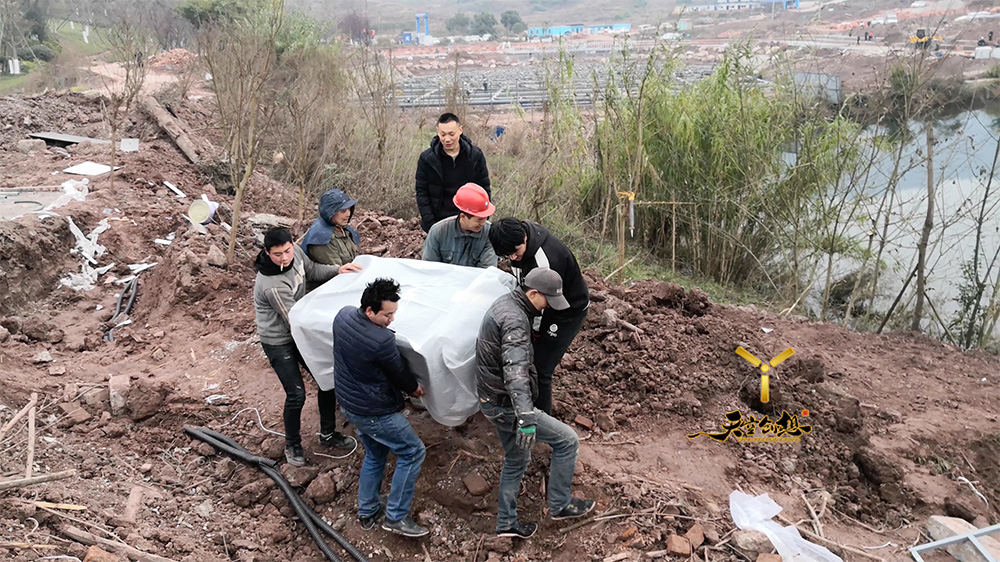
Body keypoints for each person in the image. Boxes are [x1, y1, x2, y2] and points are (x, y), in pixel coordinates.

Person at [476, 268, 596, 539]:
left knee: (517, 458)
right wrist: (526, 418)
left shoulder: (507, 304)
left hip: (491, 399)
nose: (547, 309)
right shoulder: (515, 320)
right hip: (506, 403)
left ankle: (507, 523)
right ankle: (560, 504)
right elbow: (515, 373)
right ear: (533, 293)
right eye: (547, 301)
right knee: (567, 441)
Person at [253, 228, 361, 466]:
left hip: (298, 327)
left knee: (326, 377)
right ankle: (292, 445)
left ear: (293, 244)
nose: (284, 258)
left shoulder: (297, 254)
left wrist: (338, 270)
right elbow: (294, 319)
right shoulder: (272, 285)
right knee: (296, 394)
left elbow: (312, 270)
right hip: (279, 340)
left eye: (288, 251)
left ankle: (328, 434)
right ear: (266, 252)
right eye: (277, 254)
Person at [333, 278, 429, 538]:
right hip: (373, 410)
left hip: (349, 403)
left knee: (375, 454)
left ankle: (367, 510)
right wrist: (414, 389)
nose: (392, 320)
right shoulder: (381, 340)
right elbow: (398, 372)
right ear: (369, 311)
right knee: (412, 451)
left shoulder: (342, 316)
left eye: (394, 313)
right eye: (388, 315)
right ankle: (396, 517)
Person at [488, 218, 590, 415]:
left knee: (541, 367)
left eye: (515, 252)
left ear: (525, 238)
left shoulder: (545, 262)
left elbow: (543, 306)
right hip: (539, 304)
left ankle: (542, 419)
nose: (513, 258)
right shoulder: (516, 243)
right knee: (527, 356)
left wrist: (534, 332)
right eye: (507, 255)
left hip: (565, 311)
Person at [415, 113, 491, 233]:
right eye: (442, 134)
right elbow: (422, 193)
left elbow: (484, 188)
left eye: (451, 134)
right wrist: (431, 225)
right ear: (437, 132)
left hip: (469, 220)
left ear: (460, 130)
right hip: (438, 221)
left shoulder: (475, 156)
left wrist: (481, 218)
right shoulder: (427, 159)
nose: (447, 139)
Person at [422, 183, 498, 268]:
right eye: (479, 220)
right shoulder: (438, 231)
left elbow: (486, 272)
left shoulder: (491, 234)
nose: (483, 223)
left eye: (486, 218)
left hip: (476, 281)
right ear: (462, 216)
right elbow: (429, 268)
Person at [302, 187, 361, 291]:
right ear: (331, 212)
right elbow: (339, 273)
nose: (348, 214)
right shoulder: (321, 238)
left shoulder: (343, 229)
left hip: (346, 283)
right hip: (324, 292)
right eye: (343, 211)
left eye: (349, 209)